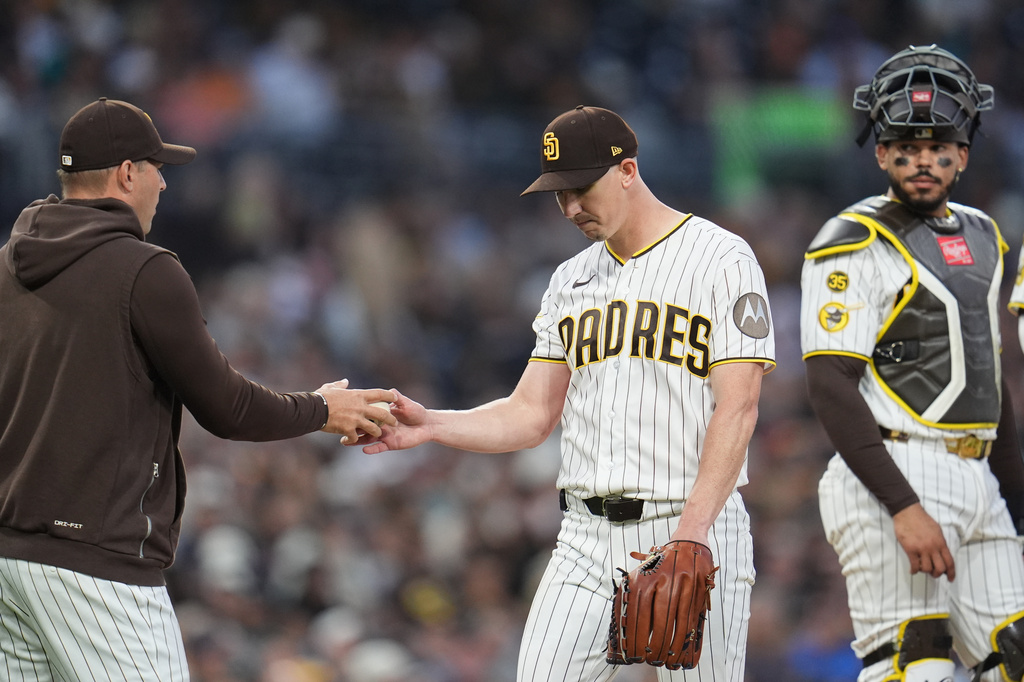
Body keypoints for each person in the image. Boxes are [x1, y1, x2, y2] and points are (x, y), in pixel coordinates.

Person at [358, 105, 776, 680]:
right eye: (559, 193)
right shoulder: (570, 280)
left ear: (627, 170)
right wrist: (432, 424)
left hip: (693, 525)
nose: (571, 207)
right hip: (584, 538)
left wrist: (691, 534)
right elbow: (530, 414)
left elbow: (739, 407)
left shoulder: (721, 258)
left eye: (581, 188)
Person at [0, 98, 397, 681]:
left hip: (9, 558)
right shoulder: (142, 268)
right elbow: (227, 407)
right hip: (96, 563)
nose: (163, 184)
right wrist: (320, 409)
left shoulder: (9, 264)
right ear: (127, 173)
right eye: (158, 168)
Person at [800, 45, 1024, 682]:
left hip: (976, 476)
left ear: (964, 152)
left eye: (939, 144)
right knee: (914, 665)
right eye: (904, 144)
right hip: (895, 467)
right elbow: (829, 383)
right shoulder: (852, 237)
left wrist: (1018, 500)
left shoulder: (985, 233)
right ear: (880, 153)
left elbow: (990, 382)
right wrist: (901, 504)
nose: (923, 158)